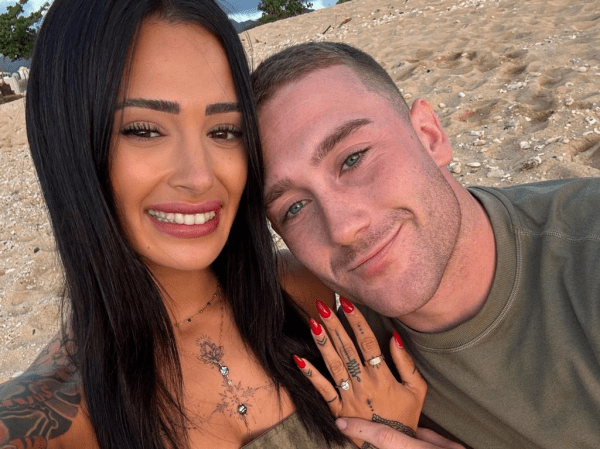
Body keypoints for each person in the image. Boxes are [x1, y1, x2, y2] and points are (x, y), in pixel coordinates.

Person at [0, 2, 441, 448]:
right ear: (68, 143)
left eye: (224, 131)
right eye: (145, 130)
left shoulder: (324, 287)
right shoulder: (46, 419)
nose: (199, 177)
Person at [252, 41, 600, 449]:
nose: (343, 229)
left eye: (353, 159)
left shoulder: (586, 252)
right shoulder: (331, 311)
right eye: (294, 208)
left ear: (429, 136)